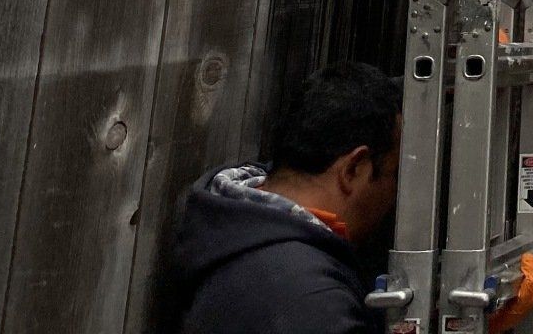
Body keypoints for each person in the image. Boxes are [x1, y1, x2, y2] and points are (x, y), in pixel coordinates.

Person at [169, 61, 401, 334]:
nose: (395, 194)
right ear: (354, 169)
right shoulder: (311, 302)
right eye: (394, 174)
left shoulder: (237, 221)